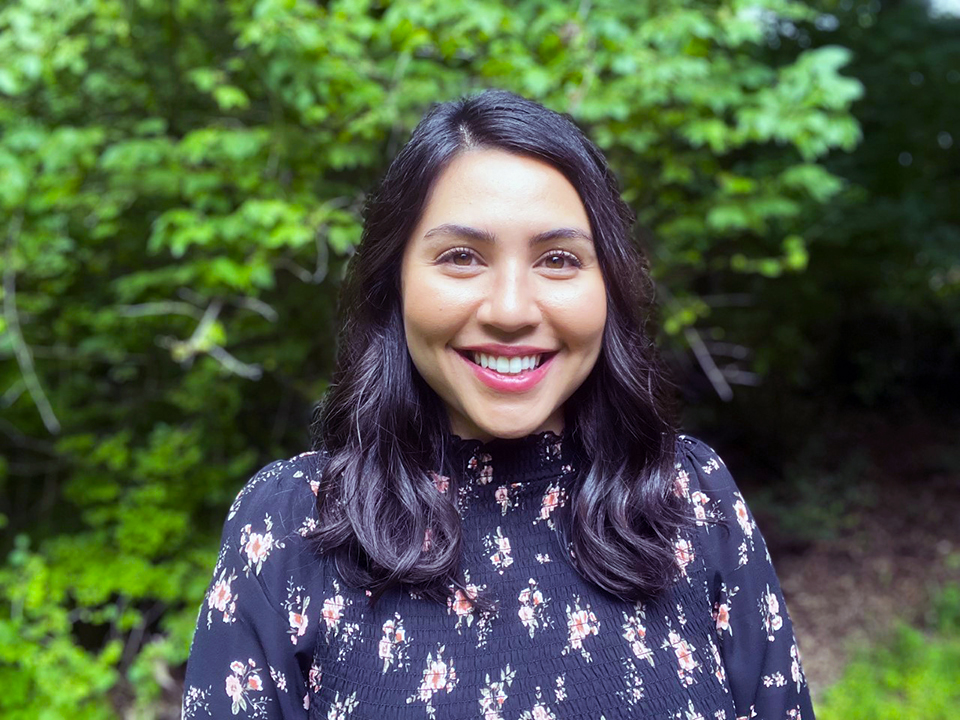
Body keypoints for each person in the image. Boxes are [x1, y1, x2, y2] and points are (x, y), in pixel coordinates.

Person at [182, 90, 814, 720]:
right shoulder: (293, 522)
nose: (510, 311)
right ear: (395, 282)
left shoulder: (691, 499)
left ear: (609, 286)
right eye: (461, 257)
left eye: (559, 259)